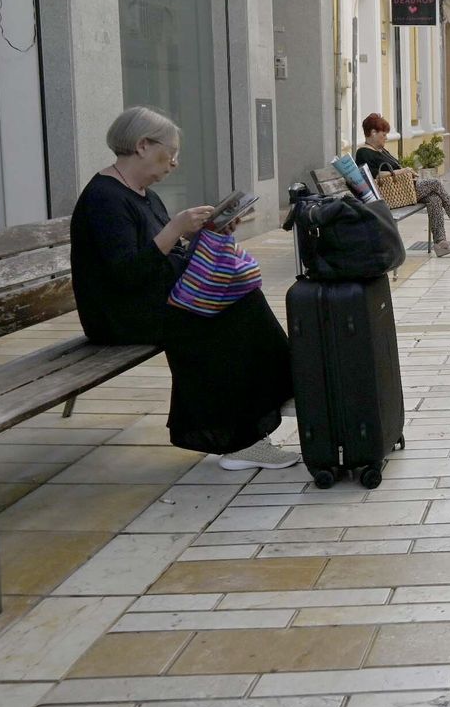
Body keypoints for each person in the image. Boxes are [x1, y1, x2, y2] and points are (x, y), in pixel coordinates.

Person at [70, 106, 298, 470]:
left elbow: (166, 254)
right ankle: (243, 433)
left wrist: (206, 231)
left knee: (239, 297)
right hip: (120, 315)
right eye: (171, 152)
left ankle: (269, 407)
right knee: (220, 316)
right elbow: (124, 275)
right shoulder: (104, 199)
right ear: (143, 145)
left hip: (152, 301)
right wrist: (174, 230)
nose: (174, 163)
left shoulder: (142, 193)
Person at [355, 113, 450, 257]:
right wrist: (401, 172)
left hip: (403, 191)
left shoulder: (381, 150)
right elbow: (371, 176)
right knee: (434, 183)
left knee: (434, 198)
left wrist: (409, 173)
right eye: (383, 134)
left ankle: (441, 244)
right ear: (373, 133)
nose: (386, 138)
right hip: (390, 196)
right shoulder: (363, 153)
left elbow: (395, 168)